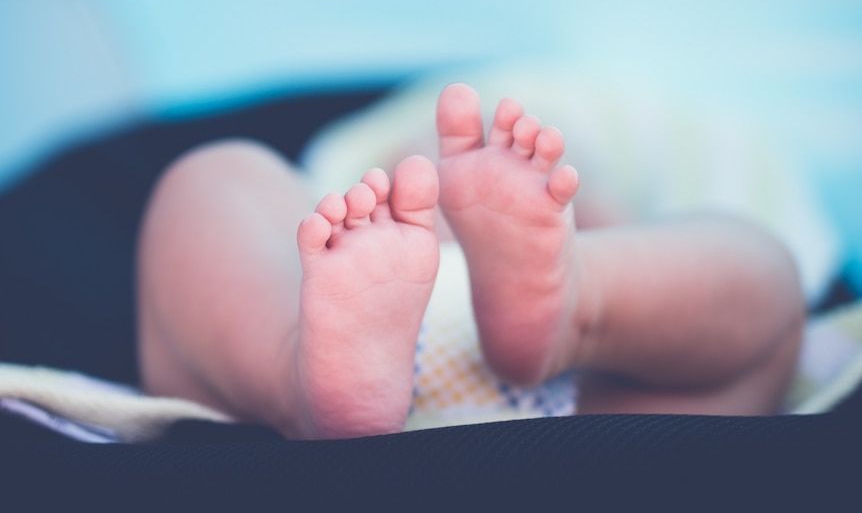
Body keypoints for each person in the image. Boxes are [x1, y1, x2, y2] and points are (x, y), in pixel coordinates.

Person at [135, 82, 804, 440]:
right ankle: (298, 371)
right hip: (327, 321)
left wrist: (585, 230)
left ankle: (579, 301)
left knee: (765, 281)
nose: (471, 158)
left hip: (594, 391)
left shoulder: (645, 202)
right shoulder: (322, 220)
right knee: (219, 189)